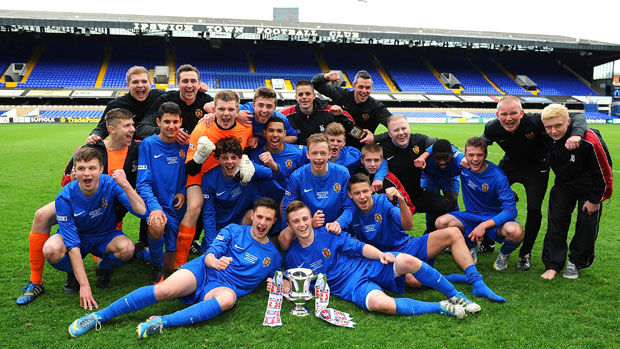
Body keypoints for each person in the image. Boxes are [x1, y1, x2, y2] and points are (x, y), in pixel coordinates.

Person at [67, 198, 282, 339]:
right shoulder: (234, 229)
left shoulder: (273, 256)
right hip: (205, 270)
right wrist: (214, 262)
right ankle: (99, 317)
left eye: (268, 219)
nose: (262, 223)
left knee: (228, 299)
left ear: (274, 222)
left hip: (223, 288)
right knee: (163, 291)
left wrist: (281, 285)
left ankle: (162, 322)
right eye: (260, 217)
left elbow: (282, 281)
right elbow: (211, 253)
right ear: (253, 215)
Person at [17, 108, 140, 305]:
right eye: (128, 125)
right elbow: (67, 182)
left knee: (123, 246)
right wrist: (74, 179)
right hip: (85, 203)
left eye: (132, 125)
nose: (132, 129)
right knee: (41, 216)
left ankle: (103, 265)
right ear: (112, 129)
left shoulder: (138, 148)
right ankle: (36, 281)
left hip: (115, 206)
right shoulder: (93, 147)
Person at [280, 200, 473, 319]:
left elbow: (359, 247)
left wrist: (381, 255)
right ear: (289, 225)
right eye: (296, 221)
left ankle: (456, 296)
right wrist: (283, 286)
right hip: (351, 287)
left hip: (366, 266)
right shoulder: (292, 258)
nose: (302, 224)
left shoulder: (329, 233)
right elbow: (293, 285)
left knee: (407, 261)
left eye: (305, 219)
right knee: (383, 305)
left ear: (310, 218)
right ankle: (441, 307)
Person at [344, 174, 504, 302]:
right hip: (388, 258)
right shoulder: (349, 213)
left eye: (365, 191)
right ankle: (447, 278)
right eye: (357, 193)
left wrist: (401, 200)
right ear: (350, 195)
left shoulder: (382, 202)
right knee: (413, 282)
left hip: (408, 245)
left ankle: (477, 282)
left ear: (371, 190)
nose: (362, 197)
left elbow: (407, 226)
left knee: (453, 232)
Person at [482, 96, 588, 269]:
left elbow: (577, 116)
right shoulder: (492, 127)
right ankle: (488, 241)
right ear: (497, 114)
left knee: (533, 208)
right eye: (504, 114)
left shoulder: (535, 120)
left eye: (513, 113)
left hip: (537, 168)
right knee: (489, 196)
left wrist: (576, 134)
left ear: (522, 113)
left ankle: (525, 252)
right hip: (510, 165)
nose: (509, 118)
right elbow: (483, 142)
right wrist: (467, 156)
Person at [42, 147, 146, 310]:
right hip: (77, 237)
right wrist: (85, 285)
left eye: (92, 168)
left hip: (104, 235)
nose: (87, 174)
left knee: (127, 249)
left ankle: (103, 268)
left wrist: (125, 184)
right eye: (82, 169)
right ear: (75, 171)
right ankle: (74, 274)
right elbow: (72, 243)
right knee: (50, 250)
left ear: (101, 169)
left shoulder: (109, 183)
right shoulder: (64, 197)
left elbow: (141, 211)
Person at [174, 90, 252, 268]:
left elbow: (246, 148)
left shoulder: (246, 127)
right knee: (194, 206)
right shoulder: (202, 128)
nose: (226, 114)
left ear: (237, 110)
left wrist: (249, 152)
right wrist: (200, 157)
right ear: (214, 110)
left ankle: (238, 247)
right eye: (222, 109)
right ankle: (179, 261)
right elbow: (190, 168)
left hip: (227, 174)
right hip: (201, 174)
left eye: (231, 109)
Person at [539, 104, 612, 280]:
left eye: (558, 125)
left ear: (568, 122)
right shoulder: (545, 136)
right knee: (556, 221)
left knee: (586, 223)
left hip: (590, 186)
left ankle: (577, 262)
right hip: (564, 183)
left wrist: (596, 200)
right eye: (549, 127)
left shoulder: (589, 139)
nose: (553, 131)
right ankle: (553, 264)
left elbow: (605, 172)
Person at [435, 137, 524, 271]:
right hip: (471, 216)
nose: (475, 159)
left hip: (494, 218)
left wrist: (484, 225)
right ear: (465, 155)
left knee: (516, 233)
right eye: (471, 155)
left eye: (479, 155)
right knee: (441, 222)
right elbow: (445, 145)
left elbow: (511, 211)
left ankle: (504, 253)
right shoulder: (463, 166)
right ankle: (470, 246)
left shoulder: (498, 176)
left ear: (486, 155)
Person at [136, 102, 188, 284]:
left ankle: (143, 253)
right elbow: (142, 183)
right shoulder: (148, 145)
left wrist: (183, 192)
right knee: (157, 225)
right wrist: (155, 207)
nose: (171, 126)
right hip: (157, 204)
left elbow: (193, 173)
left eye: (175, 121)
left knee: (171, 266)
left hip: (179, 207)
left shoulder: (185, 144)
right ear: (158, 121)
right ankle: (155, 266)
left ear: (181, 122)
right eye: (167, 121)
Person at [201, 137, 281, 252]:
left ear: (240, 158)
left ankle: (254, 247)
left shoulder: (249, 169)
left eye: (234, 157)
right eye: (224, 158)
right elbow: (208, 214)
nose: (229, 162)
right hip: (221, 226)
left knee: (253, 214)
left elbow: (276, 174)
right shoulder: (210, 179)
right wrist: (210, 245)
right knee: (214, 255)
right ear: (217, 159)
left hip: (243, 221)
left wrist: (273, 165)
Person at [380, 114, 454, 233]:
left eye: (404, 128)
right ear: (389, 134)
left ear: (409, 128)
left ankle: (429, 236)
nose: (401, 133)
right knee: (393, 229)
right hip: (394, 198)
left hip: (416, 194)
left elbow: (441, 144)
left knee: (443, 204)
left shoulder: (419, 140)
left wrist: (462, 157)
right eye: (396, 130)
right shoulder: (383, 149)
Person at [278, 133, 353, 250]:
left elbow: (350, 207)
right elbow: (287, 210)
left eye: (323, 153)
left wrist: (338, 223)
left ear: (329, 154)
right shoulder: (297, 176)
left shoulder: (342, 173)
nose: (319, 157)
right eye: (314, 153)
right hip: (308, 230)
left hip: (335, 229)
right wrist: (307, 224)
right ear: (308, 154)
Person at [249, 116, 305, 235]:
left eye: (279, 131)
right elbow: (253, 184)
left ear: (285, 133)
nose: (275, 134)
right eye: (271, 130)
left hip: (288, 200)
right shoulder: (255, 155)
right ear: (264, 133)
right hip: (265, 202)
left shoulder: (297, 153)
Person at [312, 70, 391, 149]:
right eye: (360, 87)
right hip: (336, 148)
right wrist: (325, 77)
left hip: (360, 152)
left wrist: (375, 138)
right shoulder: (342, 95)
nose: (364, 91)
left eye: (367, 88)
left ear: (371, 88)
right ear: (353, 86)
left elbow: (397, 127)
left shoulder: (376, 107)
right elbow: (315, 83)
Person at [86, 66, 165, 144]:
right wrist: (95, 135)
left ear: (150, 84)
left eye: (144, 81)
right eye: (135, 82)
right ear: (128, 85)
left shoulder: (161, 98)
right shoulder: (116, 105)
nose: (140, 85)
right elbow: (103, 127)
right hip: (128, 149)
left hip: (157, 146)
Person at [136, 64, 214, 143]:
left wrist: (214, 116)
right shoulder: (165, 100)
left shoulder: (206, 100)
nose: (189, 85)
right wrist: (168, 131)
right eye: (185, 81)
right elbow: (141, 129)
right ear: (178, 83)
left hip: (199, 150)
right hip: (172, 151)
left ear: (199, 84)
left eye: (193, 81)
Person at [280, 80, 354, 145]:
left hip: (323, 157)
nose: (304, 97)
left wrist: (341, 116)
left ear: (314, 96)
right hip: (298, 157)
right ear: (296, 97)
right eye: (300, 94)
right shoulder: (285, 115)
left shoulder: (331, 111)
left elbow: (353, 129)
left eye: (308, 94)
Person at [414, 139, 465, 230]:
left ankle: (458, 230)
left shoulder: (459, 158)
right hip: (430, 178)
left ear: (451, 154)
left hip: (450, 178)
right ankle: (431, 232)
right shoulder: (425, 158)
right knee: (431, 204)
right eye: (438, 159)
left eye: (445, 158)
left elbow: (462, 159)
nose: (442, 162)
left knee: (452, 201)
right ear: (433, 155)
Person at [354, 143, 414, 214]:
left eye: (376, 160)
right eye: (368, 160)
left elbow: (408, 206)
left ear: (382, 161)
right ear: (362, 160)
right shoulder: (355, 177)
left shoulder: (390, 178)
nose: (372, 164)